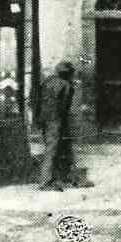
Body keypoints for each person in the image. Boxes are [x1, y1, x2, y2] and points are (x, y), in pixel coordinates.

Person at [39, 62, 89, 190]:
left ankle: (68, 177)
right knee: (53, 150)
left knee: (61, 148)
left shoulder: (47, 81)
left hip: (45, 119)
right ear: (69, 74)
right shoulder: (66, 85)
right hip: (56, 120)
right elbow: (64, 108)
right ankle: (46, 182)